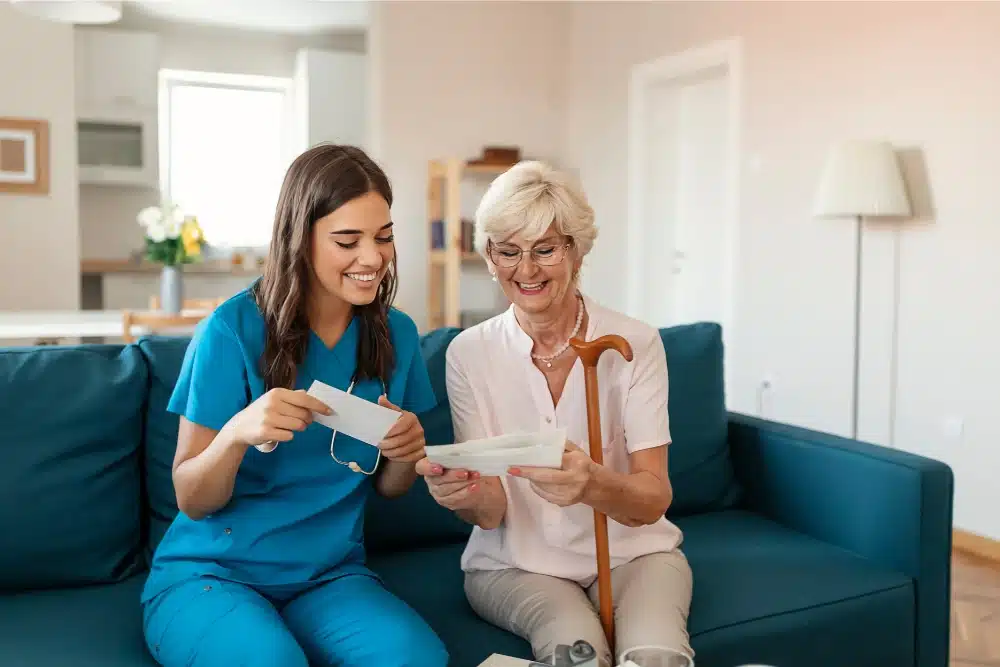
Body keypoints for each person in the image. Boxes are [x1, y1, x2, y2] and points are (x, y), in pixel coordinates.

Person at [140, 144, 449, 667]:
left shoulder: (395, 334)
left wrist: (405, 452)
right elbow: (192, 498)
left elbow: (392, 489)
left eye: (385, 237)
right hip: (213, 575)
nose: (372, 258)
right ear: (299, 240)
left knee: (418, 660)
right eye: (348, 240)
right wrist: (238, 432)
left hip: (329, 576)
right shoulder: (230, 331)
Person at [415, 161, 693, 667]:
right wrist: (462, 494)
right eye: (508, 251)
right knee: (578, 660)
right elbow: (492, 511)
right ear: (489, 256)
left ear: (578, 251)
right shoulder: (469, 354)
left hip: (636, 554)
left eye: (545, 250)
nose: (526, 270)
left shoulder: (635, 343)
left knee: (658, 660)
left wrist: (592, 484)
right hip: (517, 565)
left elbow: (653, 499)